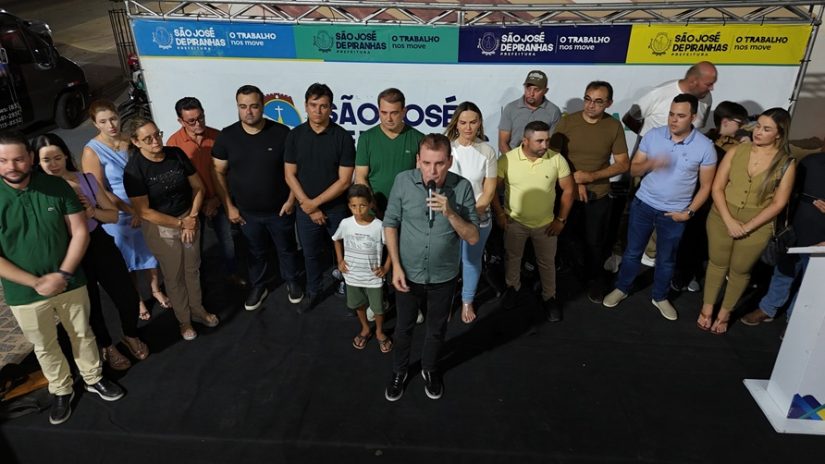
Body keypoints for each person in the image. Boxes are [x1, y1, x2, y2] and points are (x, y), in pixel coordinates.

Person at [0, 131, 124, 426]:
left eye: (18, 159)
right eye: (3, 160)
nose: (11, 166)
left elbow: (80, 232)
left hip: (70, 282)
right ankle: (61, 389)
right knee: (44, 345)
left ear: (30, 158)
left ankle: (93, 377)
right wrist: (36, 283)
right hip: (23, 293)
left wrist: (63, 273)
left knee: (82, 333)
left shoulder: (56, 186)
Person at [34, 133, 149, 370]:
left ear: (66, 156)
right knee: (90, 306)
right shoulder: (38, 191)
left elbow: (113, 215)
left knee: (127, 296)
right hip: (67, 251)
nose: (53, 164)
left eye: (57, 157)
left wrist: (92, 212)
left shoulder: (85, 179)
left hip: (98, 243)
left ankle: (130, 335)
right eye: (46, 160)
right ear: (37, 162)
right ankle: (107, 346)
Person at [603, 94, 716, 320]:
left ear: (693, 117)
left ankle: (660, 296)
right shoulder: (653, 136)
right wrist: (651, 163)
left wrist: (688, 212)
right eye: (671, 114)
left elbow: (706, 187)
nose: (673, 119)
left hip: (674, 213)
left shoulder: (705, 147)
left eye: (680, 116)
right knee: (632, 252)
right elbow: (633, 169)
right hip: (643, 205)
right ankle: (622, 287)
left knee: (666, 259)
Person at [383, 134, 479, 401]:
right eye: (426, 163)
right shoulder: (403, 181)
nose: (432, 171)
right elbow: (390, 223)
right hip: (407, 273)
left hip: (443, 276)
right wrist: (396, 266)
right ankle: (400, 371)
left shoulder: (462, 187)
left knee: (436, 329)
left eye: (439, 163)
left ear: (450, 162)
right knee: (403, 329)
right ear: (418, 160)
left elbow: (472, 237)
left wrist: (450, 212)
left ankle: (429, 368)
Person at [698, 108, 796, 334]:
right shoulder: (737, 150)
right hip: (721, 216)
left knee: (740, 270)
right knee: (716, 263)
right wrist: (729, 221)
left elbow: (778, 204)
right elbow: (717, 187)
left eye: (766, 129)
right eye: (758, 126)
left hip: (758, 225)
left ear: (779, 134)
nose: (758, 132)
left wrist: (747, 227)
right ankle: (707, 309)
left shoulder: (786, 163)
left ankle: (724, 314)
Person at [123, 117, 219, 341]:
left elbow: (198, 187)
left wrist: (192, 217)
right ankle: (184, 320)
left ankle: (198, 310)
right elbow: (144, 211)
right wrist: (180, 224)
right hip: (162, 228)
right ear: (136, 142)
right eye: (148, 139)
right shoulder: (134, 170)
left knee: (192, 269)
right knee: (174, 275)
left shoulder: (176, 154)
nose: (156, 141)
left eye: (157, 134)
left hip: (189, 218)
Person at [212, 85, 302, 311]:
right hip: (246, 213)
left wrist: (291, 200)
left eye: (253, 106)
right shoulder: (227, 136)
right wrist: (229, 206)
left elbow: (294, 170)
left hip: (280, 209)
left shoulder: (282, 133)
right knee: (255, 253)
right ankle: (259, 286)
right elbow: (218, 172)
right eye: (243, 106)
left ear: (262, 106)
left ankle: (292, 281)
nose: (248, 111)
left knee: (287, 249)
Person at [81, 100, 169, 321]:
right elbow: (99, 190)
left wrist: (143, 207)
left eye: (113, 118)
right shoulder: (91, 151)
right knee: (127, 259)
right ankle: (137, 299)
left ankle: (155, 289)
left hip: (143, 205)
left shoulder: (129, 141)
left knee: (151, 251)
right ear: (95, 124)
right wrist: (130, 211)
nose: (110, 125)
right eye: (103, 121)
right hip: (118, 214)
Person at [551, 81, 629, 303]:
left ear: (609, 103)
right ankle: (563, 280)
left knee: (595, 242)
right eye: (587, 99)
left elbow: (623, 164)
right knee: (564, 238)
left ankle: (594, 279)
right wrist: (576, 182)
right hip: (566, 192)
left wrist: (591, 177)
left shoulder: (613, 126)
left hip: (598, 195)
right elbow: (553, 158)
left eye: (598, 101)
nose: (590, 105)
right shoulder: (567, 122)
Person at [494, 121, 575, 321]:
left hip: (546, 225)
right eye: (539, 141)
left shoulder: (556, 159)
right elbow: (493, 189)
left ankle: (550, 297)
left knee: (547, 263)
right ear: (525, 140)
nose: (545, 145)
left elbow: (569, 190)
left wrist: (561, 220)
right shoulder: (507, 160)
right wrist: (500, 214)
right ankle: (512, 289)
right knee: (512, 258)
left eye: (547, 140)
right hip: (515, 222)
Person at [285, 83, 355, 311]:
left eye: (323, 106)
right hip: (305, 210)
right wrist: (308, 206)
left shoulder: (342, 137)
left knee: (345, 252)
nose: (318, 110)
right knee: (310, 254)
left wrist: (313, 204)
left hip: (336, 208)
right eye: (313, 105)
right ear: (306, 106)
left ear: (331, 108)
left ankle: (352, 292)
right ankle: (313, 291)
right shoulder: (295, 136)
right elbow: (289, 174)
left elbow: (344, 181)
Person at [670, 101, 749, 293]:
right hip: (695, 197)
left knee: (704, 240)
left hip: (719, 201)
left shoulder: (743, 146)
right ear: (725, 121)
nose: (743, 127)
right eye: (740, 123)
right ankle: (680, 273)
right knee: (687, 237)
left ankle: (694, 272)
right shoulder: (703, 140)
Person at [167, 96, 245, 288]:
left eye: (201, 117)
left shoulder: (219, 137)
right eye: (191, 121)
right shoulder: (173, 144)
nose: (198, 123)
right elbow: (177, 181)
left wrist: (217, 199)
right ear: (180, 121)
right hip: (192, 204)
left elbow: (231, 172)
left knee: (228, 240)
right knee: (195, 246)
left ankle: (232, 273)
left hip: (219, 199)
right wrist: (199, 204)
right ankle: (199, 282)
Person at [741, 152, 825, 326]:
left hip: (821, 240)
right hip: (795, 231)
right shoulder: (810, 161)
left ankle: (794, 322)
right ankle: (768, 308)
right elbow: (789, 193)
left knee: (809, 284)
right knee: (783, 272)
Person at [444, 101, 497, 323]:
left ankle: (467, 300)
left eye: (473, 122)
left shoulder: (487, 151)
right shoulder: (446, 148)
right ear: (456, 123)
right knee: (448, 263)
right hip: (447, 217)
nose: (468, 127)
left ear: (479, 124)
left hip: (479, 217)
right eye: (463, 122)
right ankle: (446, 302)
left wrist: (471, 216)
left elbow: (489, 190)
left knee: (471, 260)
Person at [332, 184, 392, 352]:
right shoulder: (345, 223)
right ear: (349, 205)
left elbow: (391, 246)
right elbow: (336, 239)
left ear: (370, 204)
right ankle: (365, 328)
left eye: (362, 205)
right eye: (353, 206)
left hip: (373, 278)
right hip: (352, 276)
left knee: (378, 307)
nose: (358, 210)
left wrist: (386, 267)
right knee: (358, 304)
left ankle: (379, 331)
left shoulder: (379, 225)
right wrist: (340, 260)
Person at [354, 88, 424, 217]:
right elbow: (360, 177)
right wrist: (372, 204)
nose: (389, 118)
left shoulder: (419, 139)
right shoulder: (366, 138)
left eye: (394, 113)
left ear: (404, 112)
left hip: (407, 213)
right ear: (378, 111)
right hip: (373, 213)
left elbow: (422, 178)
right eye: (384, 112)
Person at [623, 61, 718, 137]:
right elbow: (628, 119)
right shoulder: (658, 94)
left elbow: (699, 127)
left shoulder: (707, 98)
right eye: (708, 84)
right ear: (693, 81)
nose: (712, 88)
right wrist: (649, 140)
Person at [498, 70, 561, 153]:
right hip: (513, 157)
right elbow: (502, 143)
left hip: (541, 159)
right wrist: (513, 160)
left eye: (536, 90)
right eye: (528, 88)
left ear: (545, 91)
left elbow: (553, 145)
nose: (531, 93)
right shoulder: (511, 108)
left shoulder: (553, 111)